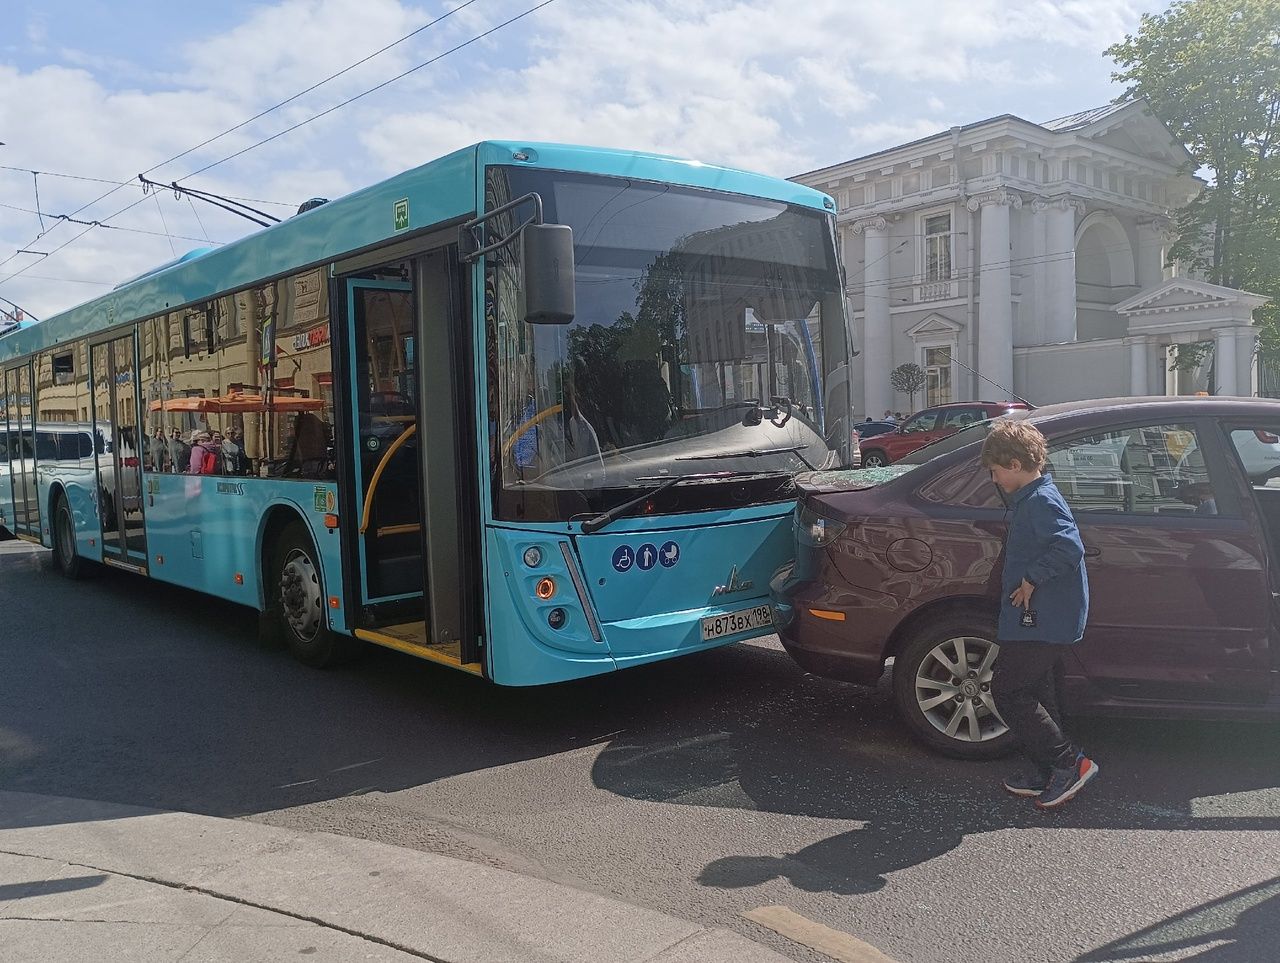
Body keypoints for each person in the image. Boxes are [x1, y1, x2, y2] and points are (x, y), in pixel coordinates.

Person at [980, 420, 1096, 810]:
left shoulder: (1041, 501)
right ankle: (1048, 766)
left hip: (1045, 616)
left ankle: (1069, 763)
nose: (993, 479)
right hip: (1039, 616)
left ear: (1014, 464)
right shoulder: (1032, 497)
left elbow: (1069, 547)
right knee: (1038, 691)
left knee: (1008, 691)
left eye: (995, 472)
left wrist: (1031, 578)